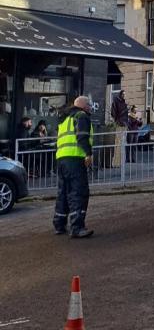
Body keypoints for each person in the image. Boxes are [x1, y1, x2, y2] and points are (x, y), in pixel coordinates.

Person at [53, 95, 94, 238]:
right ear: (83, 105)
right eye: (88, 104)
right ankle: (77, 227)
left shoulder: (64, 118)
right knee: (79, 192)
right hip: (75, 158)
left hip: (62, 159)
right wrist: (88, 154)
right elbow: (82, 136)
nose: (90, 107)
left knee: (63, 192)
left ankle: (59, 224)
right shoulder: (81, 116)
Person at [111, 90, 129, 167]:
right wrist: (117, 120)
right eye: (124, 94)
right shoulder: (117, 102)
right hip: (120, 124)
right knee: (119, 143)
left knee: (122, 143)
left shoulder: (123, 102)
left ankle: (120, 162)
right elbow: (114, 113)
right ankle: (117, 162)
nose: (125, 95)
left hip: (123, 123)